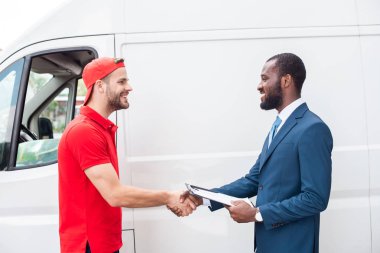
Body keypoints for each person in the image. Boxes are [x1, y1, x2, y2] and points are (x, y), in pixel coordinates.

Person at [181, 53, 333, 253]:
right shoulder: (280, 126)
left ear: (286, 80)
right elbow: (254, 180)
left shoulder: (312, 128)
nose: (259, 86)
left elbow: (315, 198)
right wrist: (204, 197)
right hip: (267, 245)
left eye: (264, 78)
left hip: (293, 246)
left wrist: (257, 213)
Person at [58, 57, 195, 253]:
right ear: (100, 87)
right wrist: (167, 197)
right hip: (88, 245)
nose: (129, 87)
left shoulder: (99, 128)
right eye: (121, 81)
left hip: (102, 243)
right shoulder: (84, 131)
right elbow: (115, 194)